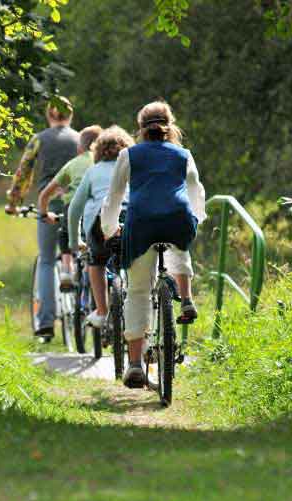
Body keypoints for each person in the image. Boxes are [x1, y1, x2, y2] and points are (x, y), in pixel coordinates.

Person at [100, 101, 207, 388]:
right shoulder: (183, 154)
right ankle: (186, 299)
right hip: (177, 219)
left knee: (137, 291)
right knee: (180, 240)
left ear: (140, 129)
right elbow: (196, 190)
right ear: (171, 126)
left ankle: (135, 364)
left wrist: (110, 230)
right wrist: (196, 219)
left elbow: (113, 198)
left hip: (142, 223)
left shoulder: (129, 155)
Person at [5, 97, 80, 339]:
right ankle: (88, 308)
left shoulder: (39, 139)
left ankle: (46, 321)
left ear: (49, 115)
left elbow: (23, 172)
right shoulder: (81, 139)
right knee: (82, 252)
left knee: (47, 260)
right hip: (77, 203)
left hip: (48, 203)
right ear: (70, 116)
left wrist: (13, 203)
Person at [67, 126, 135, 328]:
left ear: (98, 150)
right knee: (134, 262)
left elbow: (75, 209)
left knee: (96, 262)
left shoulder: (93, 171)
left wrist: (74, 242)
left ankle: (102, 312)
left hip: (101, 221)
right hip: (129, 217)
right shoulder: (131, 168)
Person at [37, 125, 103, 290]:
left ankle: (66, 270)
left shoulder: (73, 164)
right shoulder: (105, 163)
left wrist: (45, 214)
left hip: (74, 209)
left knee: (64, 233)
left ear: (79, 147)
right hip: (101, 209)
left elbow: (44, 195)